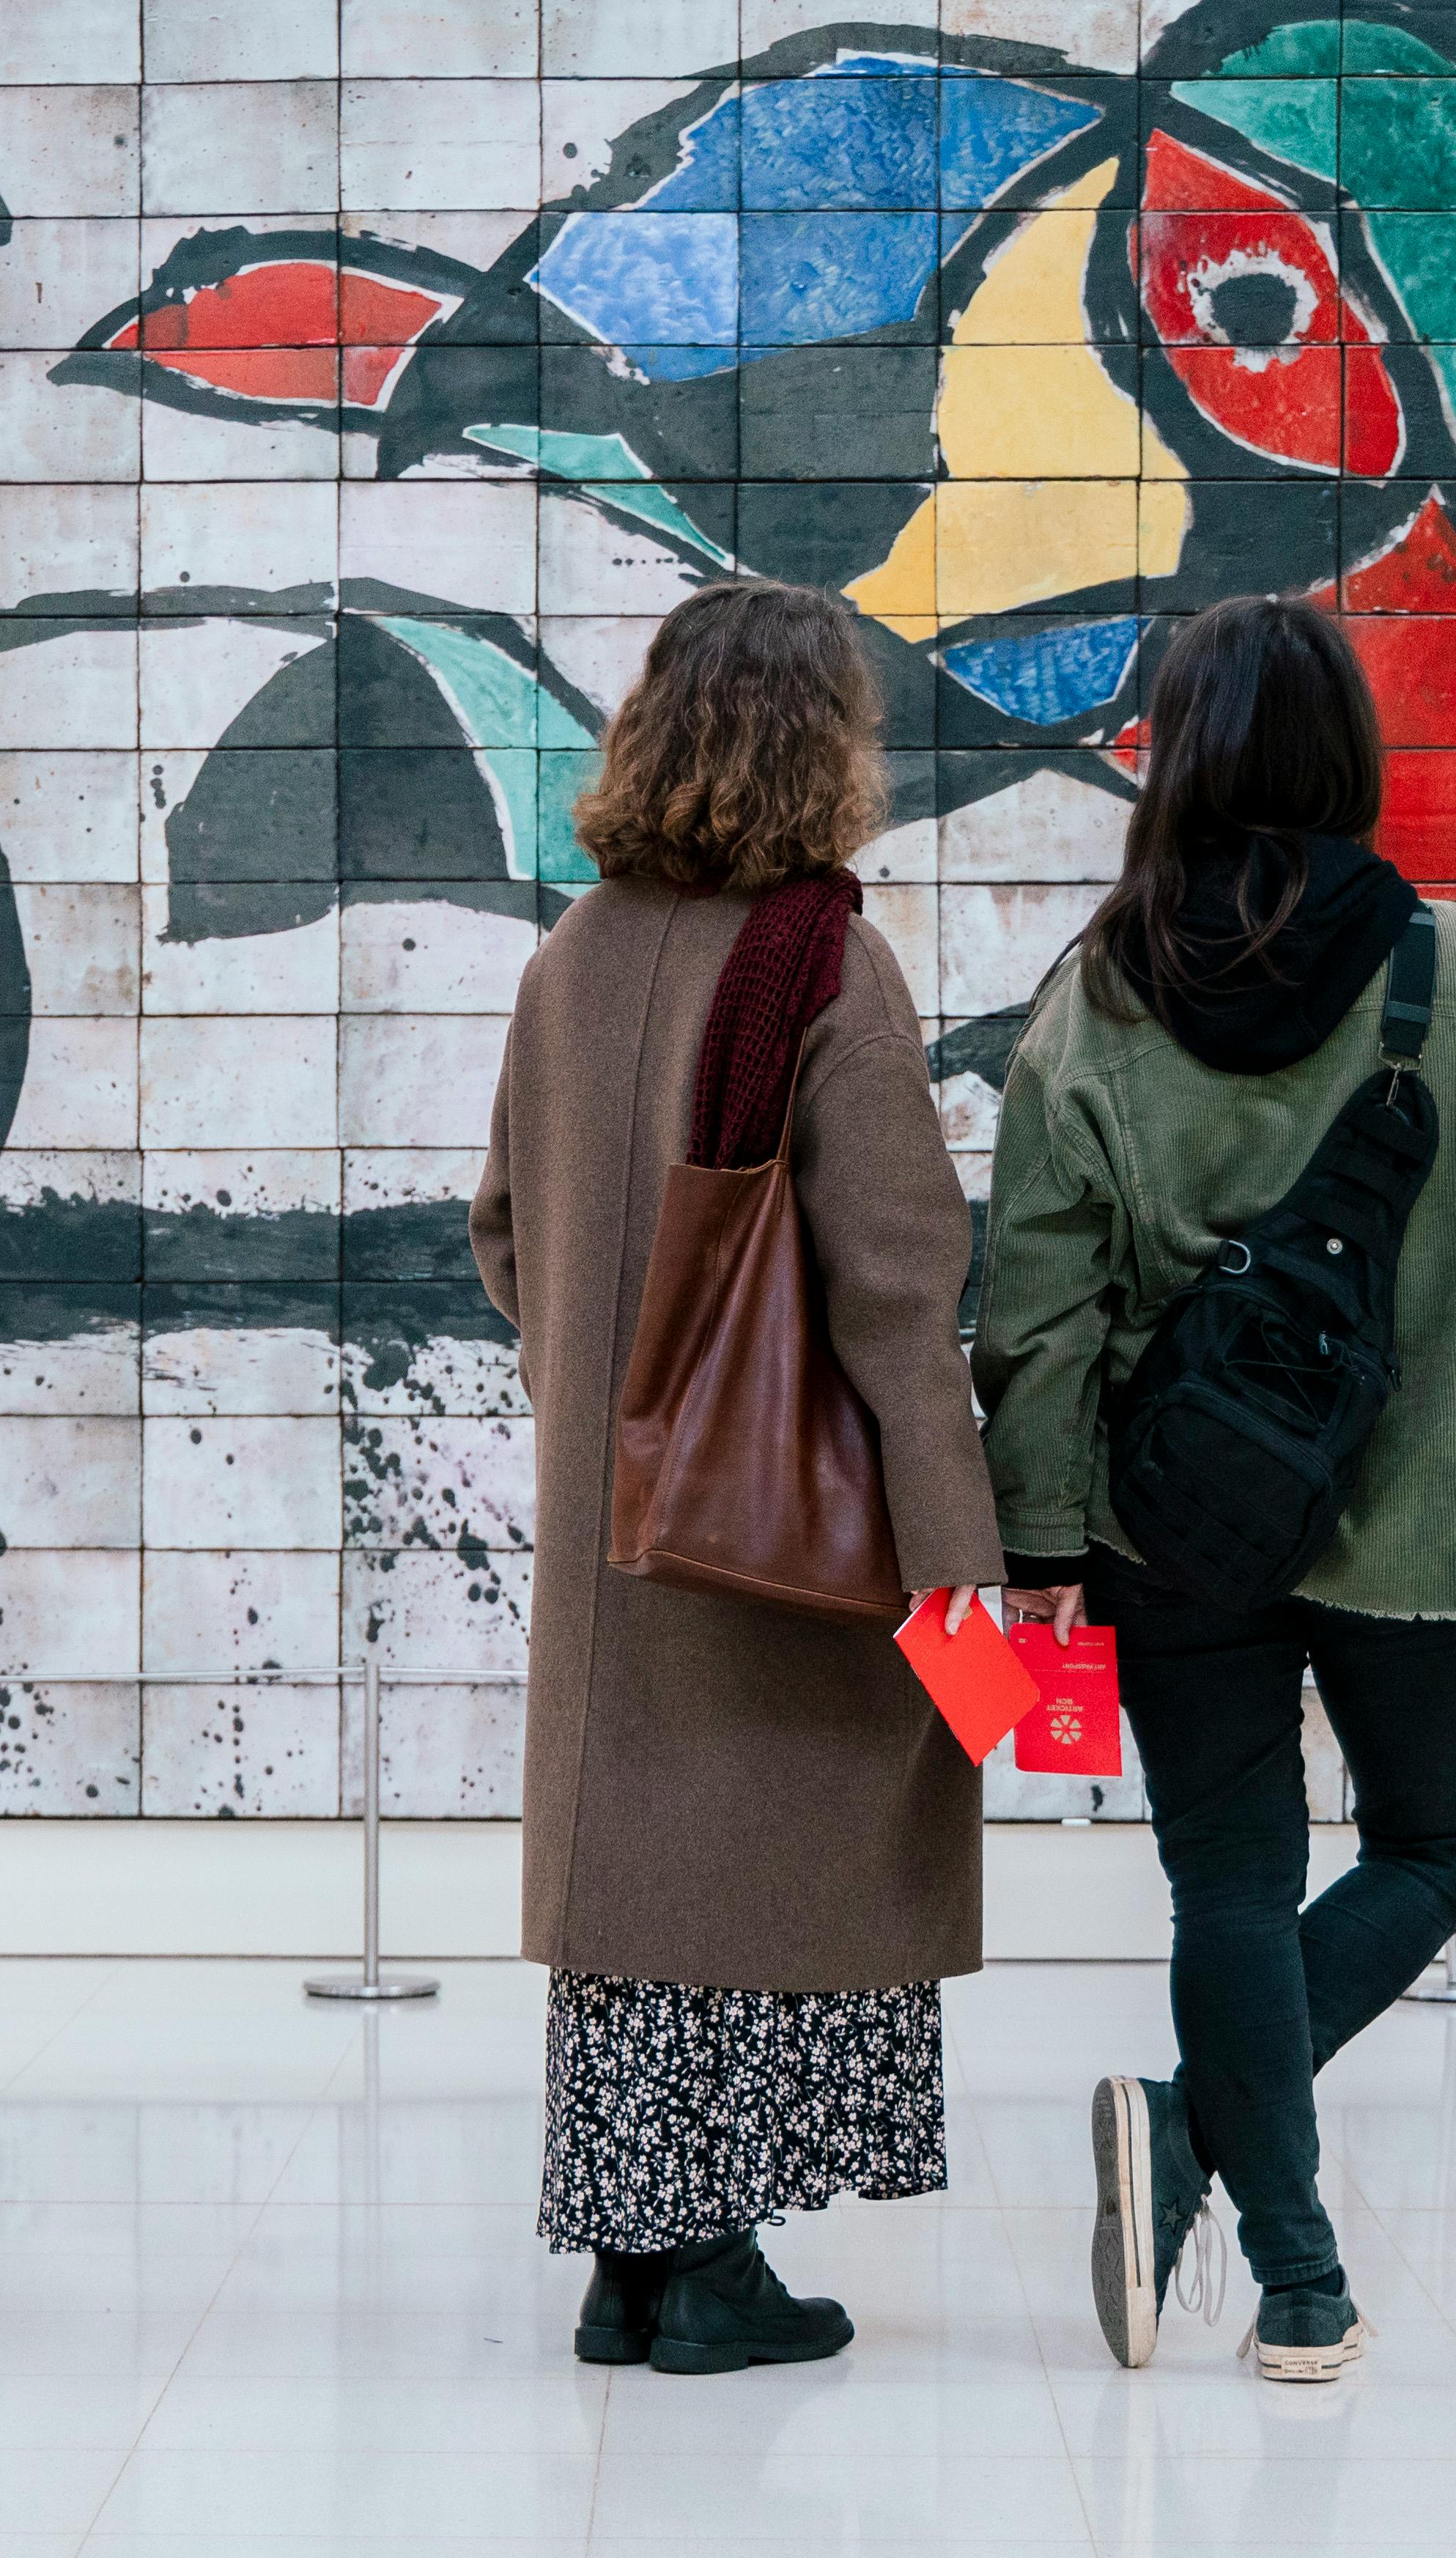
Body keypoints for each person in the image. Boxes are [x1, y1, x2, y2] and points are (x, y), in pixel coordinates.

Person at [975, 594, 1456, 2384]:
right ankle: (1186, 2138)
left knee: (1233, 1891)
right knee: (1442, 1844)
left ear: (1170, 758)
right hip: (1430, 1511)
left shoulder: (1094, 1006)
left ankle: (1300, 2275)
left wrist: (1039, 1553)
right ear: (1350, 751)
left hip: (1172, 1528)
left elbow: (1033, 1318)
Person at [468, 576, 1008, 2377]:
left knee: (635, 1877)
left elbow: (498, 1229)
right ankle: (710, 2269)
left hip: (607, 1529)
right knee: (768, 1850)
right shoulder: (821, 958)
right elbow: (899, 1282)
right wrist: (960, 1565)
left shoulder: (572, 951)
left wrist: (590, 1388)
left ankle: (635, 2258)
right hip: (770, 1533)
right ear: (823, 743)